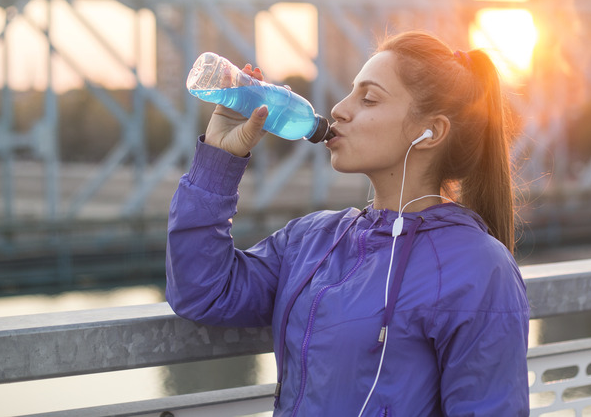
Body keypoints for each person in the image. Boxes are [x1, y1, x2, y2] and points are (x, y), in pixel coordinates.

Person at [166, 30, 530, 416]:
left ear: (431, 132)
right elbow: (203, 293)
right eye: (350, 92)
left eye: (368, 98)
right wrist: (218, 161)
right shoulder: (313, 239)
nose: (339, 108)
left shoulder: (477, 268)